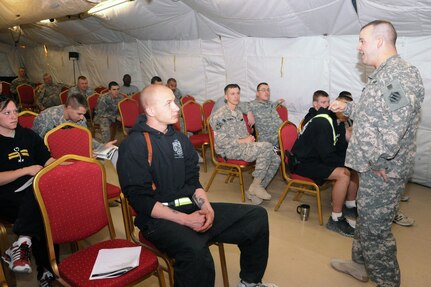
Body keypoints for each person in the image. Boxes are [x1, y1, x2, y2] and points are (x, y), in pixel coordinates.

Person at [117, 84, 277, 287]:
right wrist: (185, 220)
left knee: (256, 217)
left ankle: (250, 282)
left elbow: (193, 181)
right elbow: (141, 201)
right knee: (195, 251)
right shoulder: (134, 145)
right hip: (158, 219)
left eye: (175, 102)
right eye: (169, 103)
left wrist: (206, 207)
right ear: (151, 110)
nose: (176, 108)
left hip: (190, 208)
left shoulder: (180, 140)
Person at [329, 20, 424, 287]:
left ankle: (388, 282)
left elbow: (394, 129)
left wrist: (376, 161)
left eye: (362, 40)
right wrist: (347, 108)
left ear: (379, 42)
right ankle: (359, 265)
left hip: (381, 170)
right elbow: (375, 115)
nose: (359, 47)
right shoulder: (384, 74)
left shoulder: (399, 76)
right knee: (365, 218)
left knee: (375, 231)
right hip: (371, 166)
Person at [0, 95, 57, 286]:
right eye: (7, 112)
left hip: (33, 189)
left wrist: (60, 165)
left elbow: (46, 160)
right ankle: (47, 271)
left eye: (15, 111)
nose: (14, 116)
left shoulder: (28, 135)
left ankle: (22, 242)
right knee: (43, 210)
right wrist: (24, 170)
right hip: (6, 194)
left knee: (44, 202)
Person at [291, 107, 357, 237]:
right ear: (337, 110)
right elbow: (327, 156)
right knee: (343, 175)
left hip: (315, 159)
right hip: (302, 163)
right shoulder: (322, 123)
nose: (349, 113)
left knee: (353, 167)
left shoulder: (338, 122)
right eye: (346, 110)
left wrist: (352, 161)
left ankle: (349, 206)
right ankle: (335, 219)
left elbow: (339, 148)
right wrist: (347, 163)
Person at [210, 84, 281, 205]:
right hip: (228, 150)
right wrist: (243, 141)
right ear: (226, 96)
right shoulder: (219, 115)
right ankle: (256, 187)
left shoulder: (238, 112)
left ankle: (256, 188)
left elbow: (242, 134)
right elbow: (221, 142)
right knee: (267, 147)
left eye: (238, 93)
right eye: (232, 94)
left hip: (241, 147)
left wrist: (249, 137)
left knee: (276, 158)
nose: (236, 96)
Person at [32, 93, 116, 152]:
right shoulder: (46, 117)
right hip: (49, 155)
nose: (82, 117)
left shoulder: (80, 119)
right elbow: (34, 143)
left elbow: (85, 138)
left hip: (71, 151)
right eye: (79, 113)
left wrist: (102, 146)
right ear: (69, 108)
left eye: (83, 114)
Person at [248, 82, 284, 148]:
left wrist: (277, 102)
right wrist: (248, 111)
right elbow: (236, 104)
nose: (267, 92)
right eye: (263, 90)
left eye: (268, 90)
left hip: (282, 134)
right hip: (269, 140)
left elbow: (274, 104)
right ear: (257, 93)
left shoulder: (271, 104)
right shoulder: (252, 105)